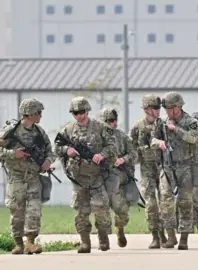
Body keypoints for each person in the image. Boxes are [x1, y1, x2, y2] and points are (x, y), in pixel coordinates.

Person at [54, 96, 117, 253]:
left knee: (101, 208)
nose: (79, 116)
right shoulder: (68, 130)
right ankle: (85, 242)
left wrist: (101, 154)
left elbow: (112, 146)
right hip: (78, 177)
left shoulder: (100, 127)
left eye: (81, 112)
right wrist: (66, 150)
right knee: (81, 211)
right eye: (75, 113)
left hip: (96, 176)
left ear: (87, 111)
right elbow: (57, 147)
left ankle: (103, 238)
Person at [0, 98, 56, 254]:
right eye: (39, 112)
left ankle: (30, 242)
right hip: (16, 177)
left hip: (33, 177)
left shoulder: (39, 132)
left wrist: (48, 161)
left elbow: (51, 151)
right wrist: (13, 154)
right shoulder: (10, 131)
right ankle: (18, 243)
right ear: (30, 114)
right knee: (17, 211)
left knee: (34, 210)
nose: (41, 115)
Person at [150, 91, 198, 250]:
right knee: (165, 200)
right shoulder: (161, 122)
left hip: (185, 166)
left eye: (170, 109)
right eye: (166, 109)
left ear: (178, 107)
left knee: (185, 202)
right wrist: (159, 143)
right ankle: (171, 236)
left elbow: (193, 138)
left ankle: (184, 237)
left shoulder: (190, 121)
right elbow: (152, 140)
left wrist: (175, 129)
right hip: (167, 166)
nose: (167, 112)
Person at [130, 94, 168, 248]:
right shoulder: (138, 127)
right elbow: (130, 148)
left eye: (159, 107)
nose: (158, 111)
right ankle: (155, 235)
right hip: (147, 168)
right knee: (151, 203)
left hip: (163, 167)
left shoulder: (164, 125)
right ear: (146, 109)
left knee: (166, 202)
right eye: (155, 108)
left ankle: (165, 232)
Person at [99, 107, 138, 247]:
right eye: (110, 120)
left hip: (119, 179)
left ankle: (120, 229)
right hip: (101, 180)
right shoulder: (97, 137)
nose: (113, 123)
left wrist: (123, 159)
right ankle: (103, 238)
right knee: (100, 210)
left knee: (122, 212)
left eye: (114, 120)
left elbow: (134, 154)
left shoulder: (121, 136)